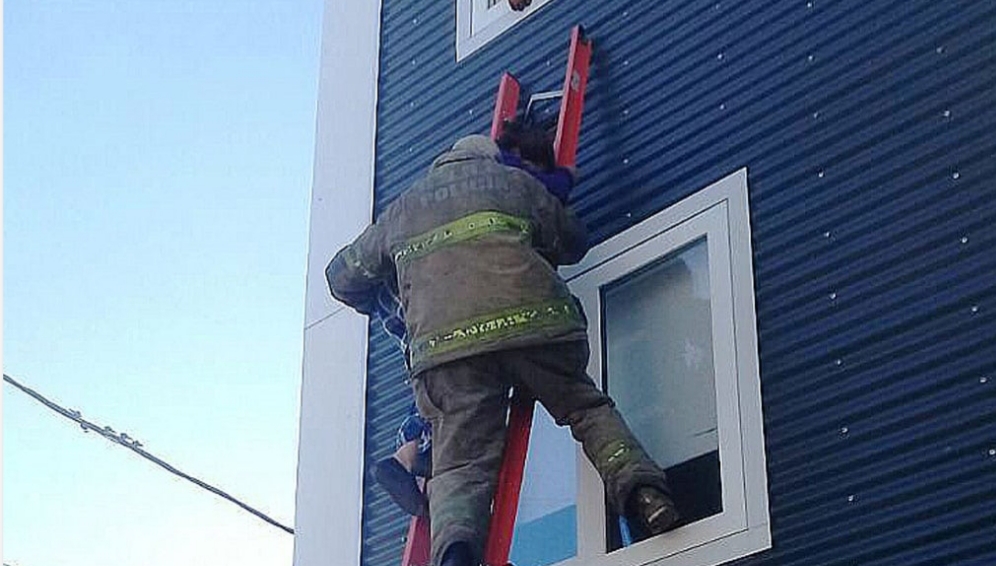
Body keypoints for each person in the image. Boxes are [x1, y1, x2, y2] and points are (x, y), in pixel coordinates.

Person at [327, 134, 680, 566]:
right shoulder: (514, 183)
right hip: (539, 330)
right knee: (588, 411)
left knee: (460, 467)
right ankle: (645, 493)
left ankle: (455, 555)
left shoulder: (402, 209)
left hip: (449, 352)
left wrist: (391, 294)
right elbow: (573, 239)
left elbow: (340, 277)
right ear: (492, 158)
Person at [369, 119, 578, 520]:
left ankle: (417, 464)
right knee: (445, 381)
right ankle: (409, 457)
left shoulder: (437, 189)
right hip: (426, 300)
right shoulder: (499, 174)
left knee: (436, 383)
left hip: (407, 294)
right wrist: (566, 177)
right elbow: (544, 190)